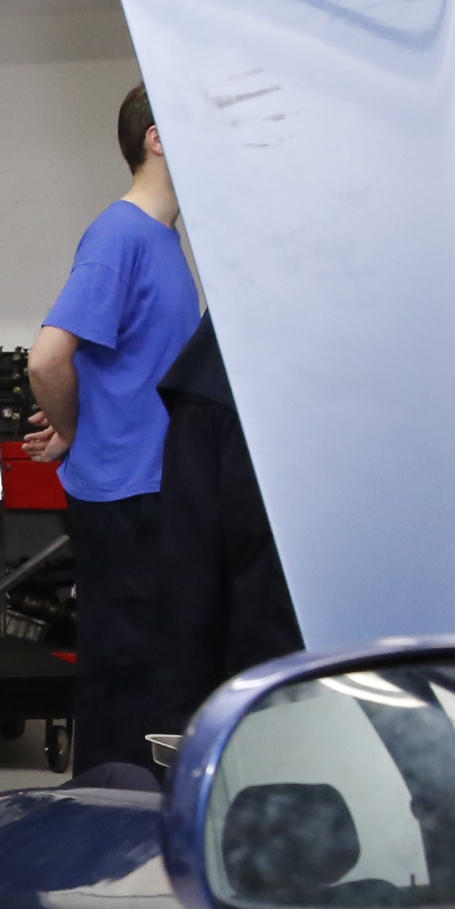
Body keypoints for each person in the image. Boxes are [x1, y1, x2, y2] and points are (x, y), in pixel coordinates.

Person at [23, 84, 206, 776]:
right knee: (125, 678)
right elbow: (48, 357)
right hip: (130, 496)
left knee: (155, 671)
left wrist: (77, 426)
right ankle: (104, 824)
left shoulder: (163, 240)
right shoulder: (121, 233)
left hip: (158, 487)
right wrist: (79, 428)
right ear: (156, 138)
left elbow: (123, 366)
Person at [149, 313, 305, 733]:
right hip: (281, 401)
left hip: (210, 382)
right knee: (269, 610)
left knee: (190, 600)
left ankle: (183, 774)